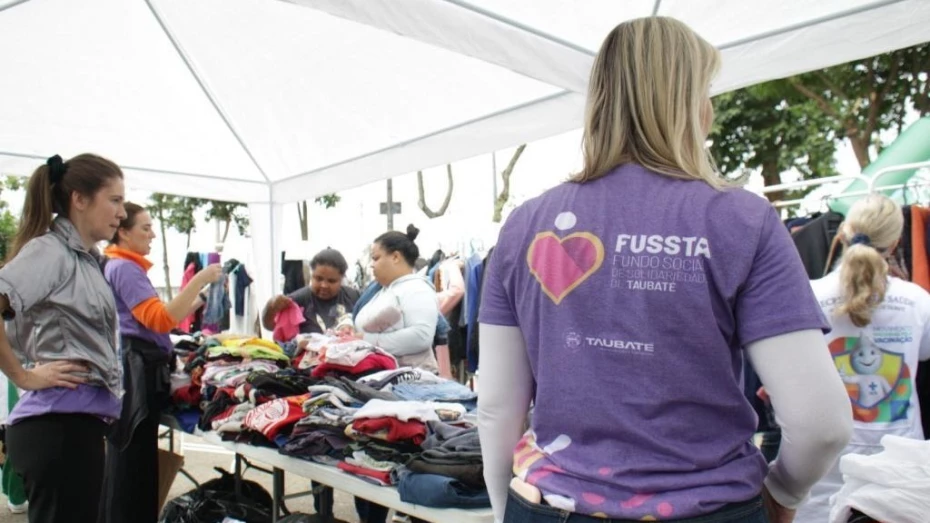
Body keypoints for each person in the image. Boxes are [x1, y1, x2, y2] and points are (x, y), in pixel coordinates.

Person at [477, 17, 853, 523]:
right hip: (710, 508)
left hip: (550, 504)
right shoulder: (742, 221)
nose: (712, 108)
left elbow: (498, 406)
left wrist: (507, 508)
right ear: (688, 101)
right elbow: (821, 422)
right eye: (707, 91)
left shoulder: (524, 226)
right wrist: (783, 490)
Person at [0, 154, 127, 523]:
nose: (122, 212)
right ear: (79, 198)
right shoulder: (51, 251)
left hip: (73, 429)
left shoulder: (83, 258)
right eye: (114, 200)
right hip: (57, 430)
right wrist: (22, 376)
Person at [795, 195, 930, 522]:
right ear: (897, 241)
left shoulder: (806, 296)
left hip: (823, 473)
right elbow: (923, 355)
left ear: (842, 233)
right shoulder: (917, 301)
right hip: (898, 477)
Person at [99, 202, 222, 523]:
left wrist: (198, 299)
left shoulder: (116, 265)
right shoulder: (124, 268)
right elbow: (160, 320)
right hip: (137, 372)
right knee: (133, 467)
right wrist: (201, 279)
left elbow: (156, 317)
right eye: (145, 227)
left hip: (132, 369)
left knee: (128, 462)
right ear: (122, 232)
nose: (153, 234)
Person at [351, 224, 438, 523]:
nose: (371, 265)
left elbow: (421, 337)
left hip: (409, 390)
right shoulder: (389, 290)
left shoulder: (416, 289)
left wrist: (366, 343)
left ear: (396, 257)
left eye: (376, 258)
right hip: (382, 388)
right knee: (373, 461)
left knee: (400, 460)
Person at [262, 248, 360, 338]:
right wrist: (271, 307)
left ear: (342, 279)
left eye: (331, 281)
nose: (324, 285)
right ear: (311, 275)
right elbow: (271, 326)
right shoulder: (296, 300)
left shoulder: (353, 297)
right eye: (318, 279)